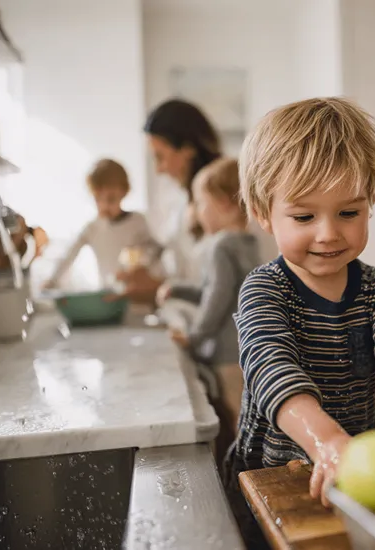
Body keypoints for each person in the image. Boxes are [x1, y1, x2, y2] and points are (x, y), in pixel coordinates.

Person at [220, 97, 375, 548]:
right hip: (265, 481)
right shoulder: (264, 290)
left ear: (371, 203)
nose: (328, 232)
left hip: (352, 480)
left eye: (349, 212)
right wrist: (324, 439)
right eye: (304, 216)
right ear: (264, 214)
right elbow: (272, 370)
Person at [157, 157, 260, 467]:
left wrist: (194, 335)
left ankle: (246, 476)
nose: (198, 212)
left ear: (225, 205)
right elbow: (221, 291)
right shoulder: (247, 242)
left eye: (202, 203)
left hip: (229, 352)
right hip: (250, 347)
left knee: (238, 418)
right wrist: (177, 289)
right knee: (252, 413)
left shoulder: (220, 246)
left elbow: (215, 298)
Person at [116, 100, 224, 303]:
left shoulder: (227, 201)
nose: (158, 169)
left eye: (160, 157)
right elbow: (188, 274)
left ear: (188, 149)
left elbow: (222, 284)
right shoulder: (180, 203)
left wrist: (157, 286)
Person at [43, 158, 162, 290]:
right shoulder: (93, 228)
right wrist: (52, 281)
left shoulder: (138, 222)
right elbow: (69, 255)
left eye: (111, 199)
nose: (104, 205)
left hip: (137, 295)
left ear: (123, 192)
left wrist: (141, 262)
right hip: (107, 296)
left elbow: (155, 251)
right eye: (98, 199)